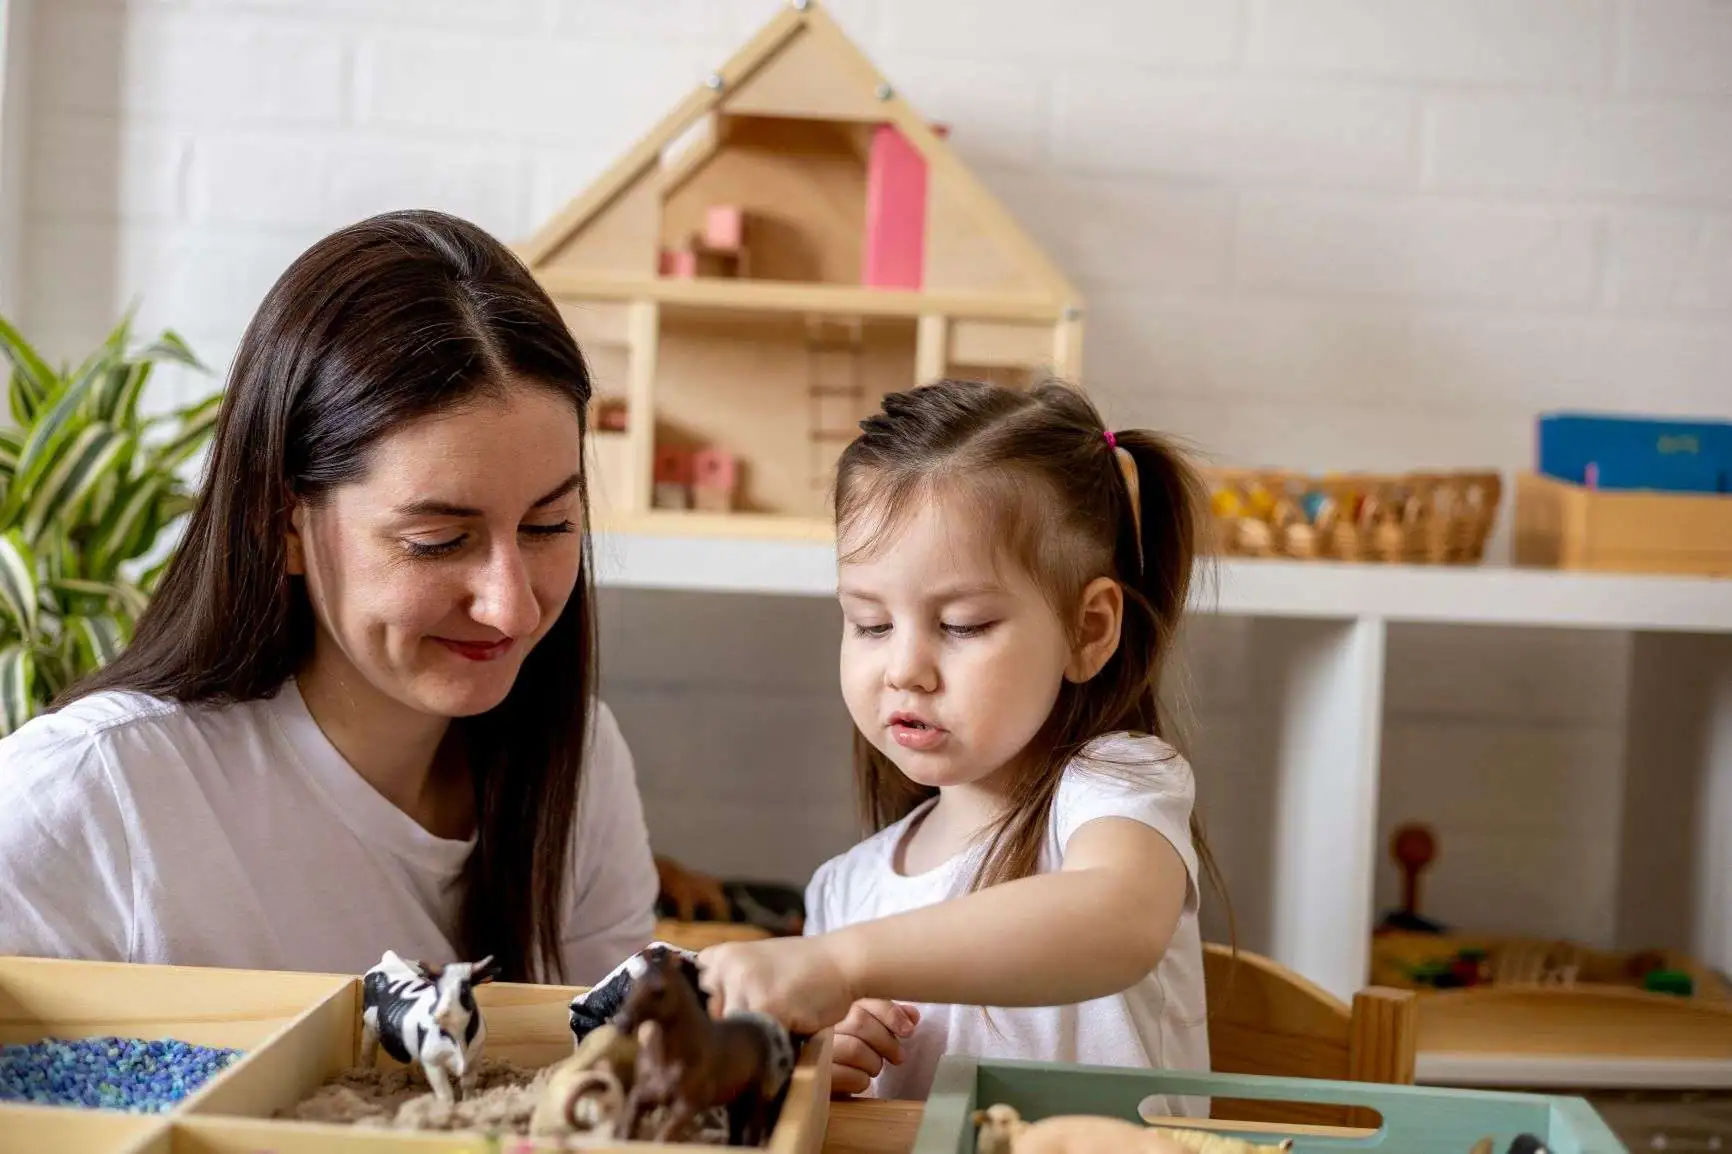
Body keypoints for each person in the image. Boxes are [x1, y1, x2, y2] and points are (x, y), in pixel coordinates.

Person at [0, 209, 659, 986]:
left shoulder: (578, 761)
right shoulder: (89, 793)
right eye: (438, 541)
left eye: (549, 526)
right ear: (281, 520)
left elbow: (617, 1068)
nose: (511, 608)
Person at [694, 378, 1229, 1115]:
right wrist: (823, 1056)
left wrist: (838, 962)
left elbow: (1118, 917)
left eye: (964, 625)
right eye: (871, 624)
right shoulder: (845, 891)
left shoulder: (1116, 788)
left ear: (1089, 629)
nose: (904, 668)